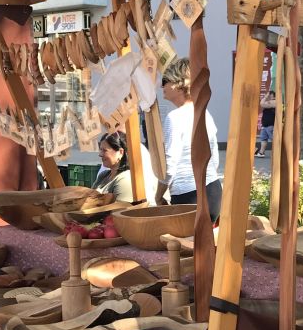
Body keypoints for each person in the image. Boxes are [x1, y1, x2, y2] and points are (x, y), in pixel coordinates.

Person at [159, 57, 223, 221]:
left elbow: (170, 164)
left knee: (184, 238)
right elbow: (214, 158)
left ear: (179, 84)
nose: (161, 86)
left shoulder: (174, 117)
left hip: (188, 194)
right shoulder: (205, 113)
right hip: (213, 190)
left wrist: (158, 195)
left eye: (165, 81)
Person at [93, 130, 156, 204]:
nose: (100, 154)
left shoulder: (126, 179)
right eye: (100, 149)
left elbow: (119, 209)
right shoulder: (103, 175)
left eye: (104, 150)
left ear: (120, 152)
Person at [256, 91, 276, 157]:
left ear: (272, 95)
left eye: (268, 95)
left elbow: (262, 104)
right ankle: (261, 152)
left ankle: (277, 153)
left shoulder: (274, 102)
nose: (267, 96)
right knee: (263, 139)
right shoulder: (269, 102)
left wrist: (265, 97)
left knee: (274, 139)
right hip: (265, 125)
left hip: (270, 125)